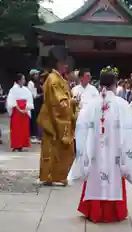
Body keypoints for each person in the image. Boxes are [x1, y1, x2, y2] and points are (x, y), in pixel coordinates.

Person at [68, 68, 132, 223]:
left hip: (95, 152)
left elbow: (80, 129)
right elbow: (130, 131)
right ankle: (114, 211)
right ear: (114, 84)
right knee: (113, 176)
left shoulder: (91, 105)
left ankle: (94, 210)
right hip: (115, 152)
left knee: (95, 175)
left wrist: (83, 151)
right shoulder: (123, 105)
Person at [37, 46, 76, 186]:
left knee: (54, 149)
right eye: (65, 63)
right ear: (59, 64)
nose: (66, 66)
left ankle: (52, 176)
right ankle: (54, 176)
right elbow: (58, 102)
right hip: (54, 121)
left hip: (54, 119)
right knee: (57, 149)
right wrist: (71, 102)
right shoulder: (54, 79)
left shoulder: (58, 78)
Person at [6, 73, 33, 152]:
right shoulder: (13, 89)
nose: (24, 81)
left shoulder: (26, 89)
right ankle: (16, 145)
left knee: (24, 129)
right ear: (19, 80)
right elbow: (11, 101)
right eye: (23, 79)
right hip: (17, 111)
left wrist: (26, 109)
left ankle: (22, 145)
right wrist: (19, 109)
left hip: (24, 110)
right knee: (16, 129)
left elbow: (29, 99)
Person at [27, 69, 41, 144]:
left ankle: (35, 135)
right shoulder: (30, 83)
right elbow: (33, 95)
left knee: (35, 119)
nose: (37, 76)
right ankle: (32, 136)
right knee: (33, 119)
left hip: (36, 103)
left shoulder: (36, 83)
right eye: (35, 74)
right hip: (32, 103)